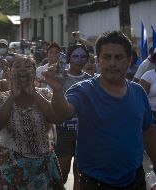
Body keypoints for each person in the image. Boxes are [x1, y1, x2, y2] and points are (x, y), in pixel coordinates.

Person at [42, 31, 156, 189]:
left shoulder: (138, 92)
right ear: (98, 60)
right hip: (93, 183)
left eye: (119, 57)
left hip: (135, 180)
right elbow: (62, 114)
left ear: (129, 60)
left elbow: (149, 133)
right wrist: (57, 91)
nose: (112, 63)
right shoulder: (83, 90)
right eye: (107, 57)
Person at [0, 54, 64, 189]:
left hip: (43, 168)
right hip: (11, 169)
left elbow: (56, 118)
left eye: (28, 66)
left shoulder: (45, 94)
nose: (22, 69)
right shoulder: (2, 97)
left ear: (35, 71)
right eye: (17, 66)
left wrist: (34, 93)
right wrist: (12, 96)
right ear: (10, 72)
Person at [55, 44, 91, 189]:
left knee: (80, 174)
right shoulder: (59, 77)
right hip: (62, 132)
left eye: (83, 56)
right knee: (61, 174)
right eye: (75, 56)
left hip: (85, 133)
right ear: (69, 58)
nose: (79, 60)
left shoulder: (91, 80)